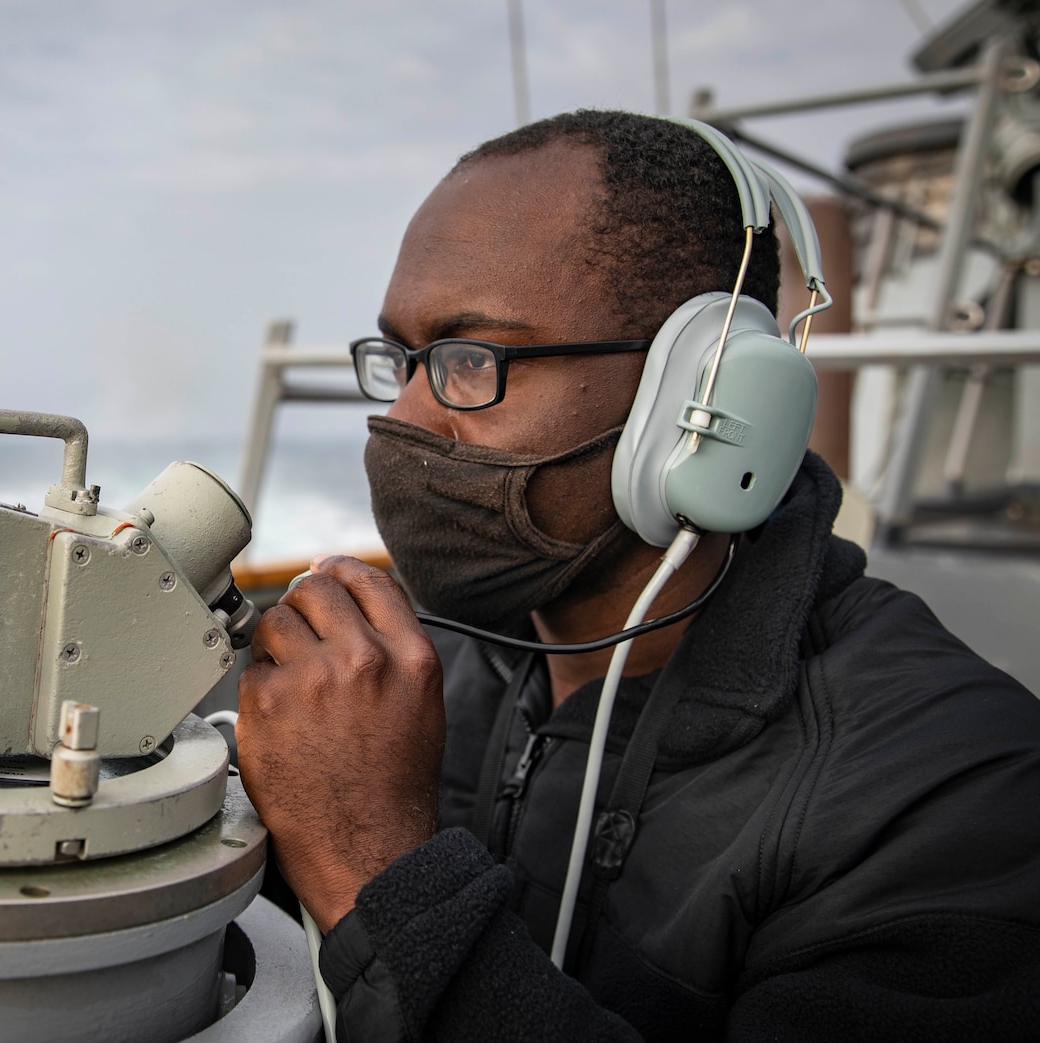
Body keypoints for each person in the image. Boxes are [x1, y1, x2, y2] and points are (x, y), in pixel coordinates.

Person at [234, 110, 1040, 1042]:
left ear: (701, 397)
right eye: (404, 360)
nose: (410, 417)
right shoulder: (437, 662)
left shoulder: (945, 800)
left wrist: (378, 872)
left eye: (470, 359)